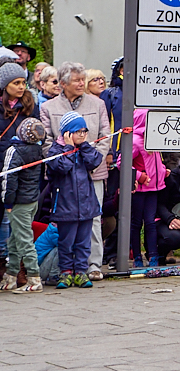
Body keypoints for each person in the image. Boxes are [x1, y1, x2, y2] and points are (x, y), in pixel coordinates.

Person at [41, 62, 112, 281]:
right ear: (63, 84)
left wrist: (93, 159)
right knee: (68, 223)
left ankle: (92, 265)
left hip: (93, 171)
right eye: (77, 80)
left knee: (93, 220)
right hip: (64, 177)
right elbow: (46, 143)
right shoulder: (48, 108)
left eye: (83, 79)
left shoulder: (97, 103)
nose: (82, 83)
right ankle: (67, 268)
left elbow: (104, 135)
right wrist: (66, 158)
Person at [46, 111, 103, 289]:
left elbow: (95, 161)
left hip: (86, 205)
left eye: (85, 131)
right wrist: (69, 149)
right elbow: (61, 167)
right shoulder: (56, 150)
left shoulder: (84, 149)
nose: (83, 134)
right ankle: (65, 272)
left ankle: (80, 271)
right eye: (79, 131)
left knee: (83, 242)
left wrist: (83, 146)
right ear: (67, 133)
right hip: (65, 206)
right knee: (66, 242)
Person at [0, 119, 46, 292]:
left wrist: (7, 201)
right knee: (14, 239)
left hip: (18, 203)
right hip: (32, 201)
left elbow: (8, 178)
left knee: (25, 240)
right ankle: (11, 275)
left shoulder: (14, 151)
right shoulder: (37, 149)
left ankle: (34, 278)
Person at [130, 109, 168, 268]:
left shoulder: (155, 139)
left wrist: (163, 171)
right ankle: (136, 257)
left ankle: (153, 256)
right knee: (136, 223)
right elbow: (121, 162)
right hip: (140, 190)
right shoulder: (135, 141)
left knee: (151, 222)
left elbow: (156, 161)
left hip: (154, 188)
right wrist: (139, 176)